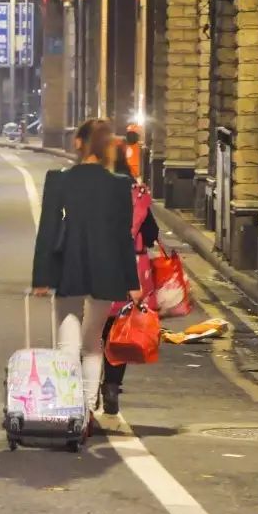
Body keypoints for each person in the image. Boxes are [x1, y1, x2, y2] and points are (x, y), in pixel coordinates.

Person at [32, 118, 142, 419]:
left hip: (69, 265)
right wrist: (132, 282)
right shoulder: (120, 185)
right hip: (107, 268)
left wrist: (41, 277)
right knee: (93, 342)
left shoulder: (59, 180)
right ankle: (87, 406)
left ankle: (70, 410)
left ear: (78, 143)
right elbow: (124, 236)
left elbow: (48, 229)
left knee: (67, 343)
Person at [99, 151, 159, 414]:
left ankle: (86, 389)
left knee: (93, 331)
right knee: (119, 331)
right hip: (132, 271)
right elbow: (151, 235)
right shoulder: (138, 198)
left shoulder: (97, 195)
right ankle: (112, 386)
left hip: (101, 267)